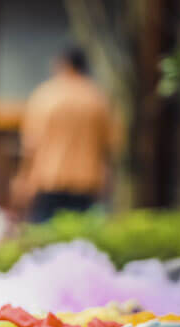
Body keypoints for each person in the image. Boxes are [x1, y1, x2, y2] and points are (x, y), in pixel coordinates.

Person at [11, 47, 118, 223]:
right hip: (88, 180)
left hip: (49, 177)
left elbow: (31, 144)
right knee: (81, 239)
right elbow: (110, 145)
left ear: (63, 65)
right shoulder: (98, 98)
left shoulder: (46, 96)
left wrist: (23, 178)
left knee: (43, 237)